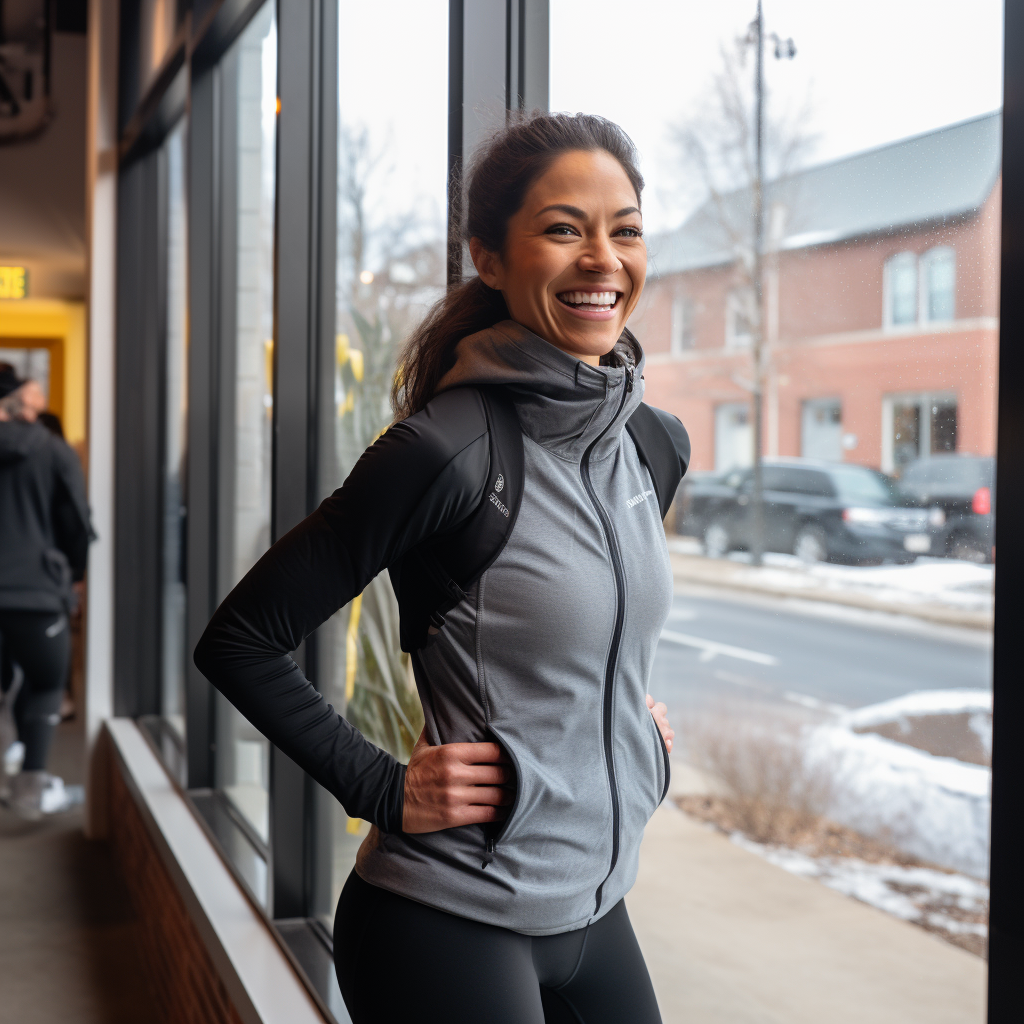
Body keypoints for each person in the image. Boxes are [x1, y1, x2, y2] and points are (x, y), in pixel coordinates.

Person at [195, 112, 687, 1024]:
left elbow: (588, 633)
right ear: (489, 259)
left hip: (597, 901)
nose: (603, 258)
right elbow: (240, 640)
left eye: (624, 229)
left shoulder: (653, 445)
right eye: (563, 228)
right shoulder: (449, 451)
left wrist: (629, 724)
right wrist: (381, 785)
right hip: (445, 915)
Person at [0, 364, 94, 819]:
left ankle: (20, 762)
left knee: (17, 680)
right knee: (46, 682)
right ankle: (31, 790)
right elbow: (77, 522)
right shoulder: (54, 452)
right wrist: (74, 572)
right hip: (35, 594)